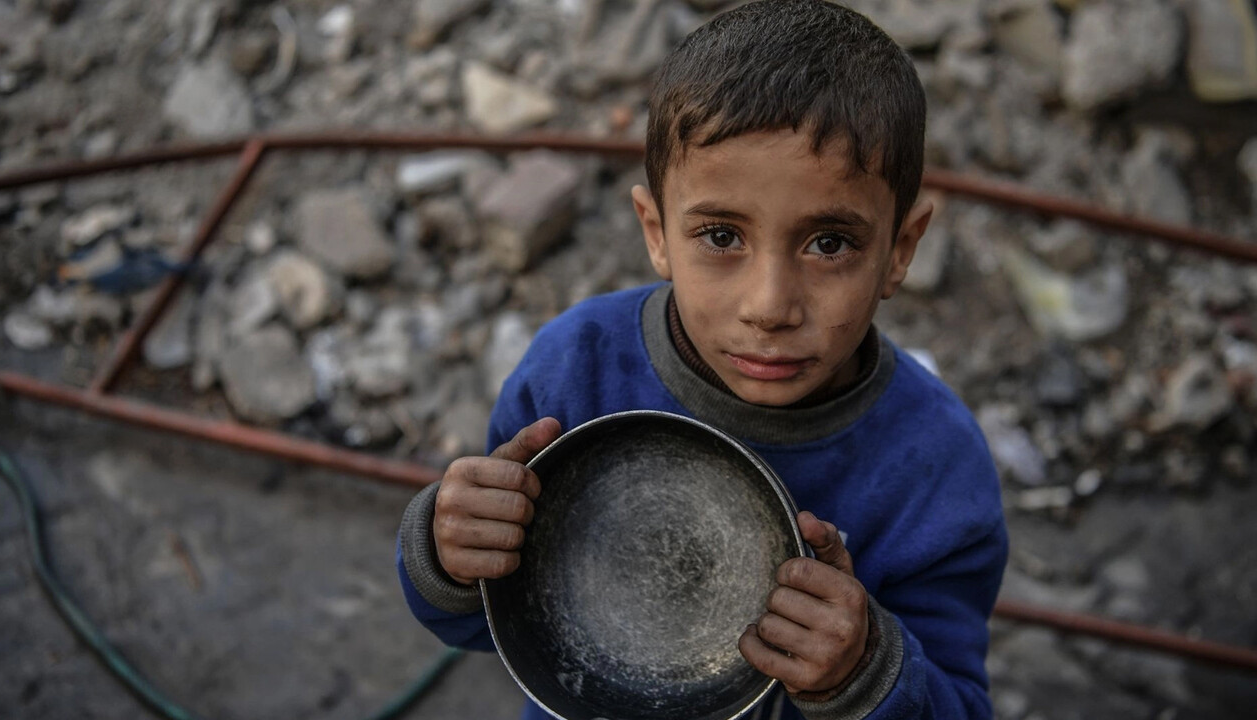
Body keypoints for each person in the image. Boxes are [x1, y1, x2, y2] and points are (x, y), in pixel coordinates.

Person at [397, 1, 1008, 718]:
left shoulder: (936, 470)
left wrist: (865, 671)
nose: (770, 305)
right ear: (656, 232)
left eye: (830, 243)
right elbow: (490, 623)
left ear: (900, 251)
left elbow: (961, 706)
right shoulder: (576, 370)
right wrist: (449, 550)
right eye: (721, 236)